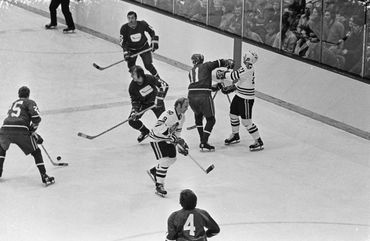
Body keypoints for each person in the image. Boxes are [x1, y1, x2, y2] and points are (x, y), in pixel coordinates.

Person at [0, 86, 55, 186]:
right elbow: (36, 117)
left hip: (5, 128)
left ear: (18, 95)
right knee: (36, 152)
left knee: (1, 148)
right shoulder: (30, 102)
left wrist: (31, 131)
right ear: (28, 95)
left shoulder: (14, 103)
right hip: (20, 130)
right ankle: (44, 176)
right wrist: (32, 130)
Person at [216, 50, 264, 151]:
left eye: (245, 57)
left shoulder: (247, 68)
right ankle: (235, 135)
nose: (243, 58)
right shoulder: (246, 67)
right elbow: (238, 77)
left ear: (248, 59)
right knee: (233, 115)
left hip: (246, 99)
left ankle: (258, 141)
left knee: (246, 122)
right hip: (239, 95)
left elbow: (234, 76)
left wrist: (224, 73)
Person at [187, 53, 234, 152]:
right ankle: (204, 142)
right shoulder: (206, 65)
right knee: (211, 120)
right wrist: (228, 63)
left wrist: (214, 87)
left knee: (198, 116)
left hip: (191, 96)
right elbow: (220, 62)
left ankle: (202, 140)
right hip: (204, 96)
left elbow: (198, 85)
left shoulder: (190, 71)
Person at [147, 97, 189, 197]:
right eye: (185, 106)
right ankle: (159, 185)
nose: (187, 108)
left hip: (167, 139)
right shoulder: (169, 114)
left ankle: (155, 170)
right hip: (157, 139)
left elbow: (177, 132)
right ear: (178, 105)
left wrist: (180, 145)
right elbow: (158, 129)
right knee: (165, 161)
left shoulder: (182, 117)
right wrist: (173, 138)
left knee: (172, 159)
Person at [119, 11, 168, 87]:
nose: (130, 20)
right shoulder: (124, 28)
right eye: (128, 18)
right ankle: (137, 82)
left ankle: (158, 80)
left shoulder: (142, 24)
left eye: (132, 18)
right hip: (131, 50)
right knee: (132, 67)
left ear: (136, 18)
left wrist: (154, 42)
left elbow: (152, 32)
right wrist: (126, 52)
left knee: (148, 65)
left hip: (144, 47)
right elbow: (122, 42)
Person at [128, 65, 168, 143]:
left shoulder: (149, 78)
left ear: (139, 74)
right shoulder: (132, 87)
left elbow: (164, 85)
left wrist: (159, 99)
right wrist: (134, 111)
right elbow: (134, 100)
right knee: (132, 121)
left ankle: (168, 135)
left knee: (164, 121)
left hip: (156, 102)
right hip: (143, 104)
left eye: (133, 74)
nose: (131, 76)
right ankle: (145, 131)